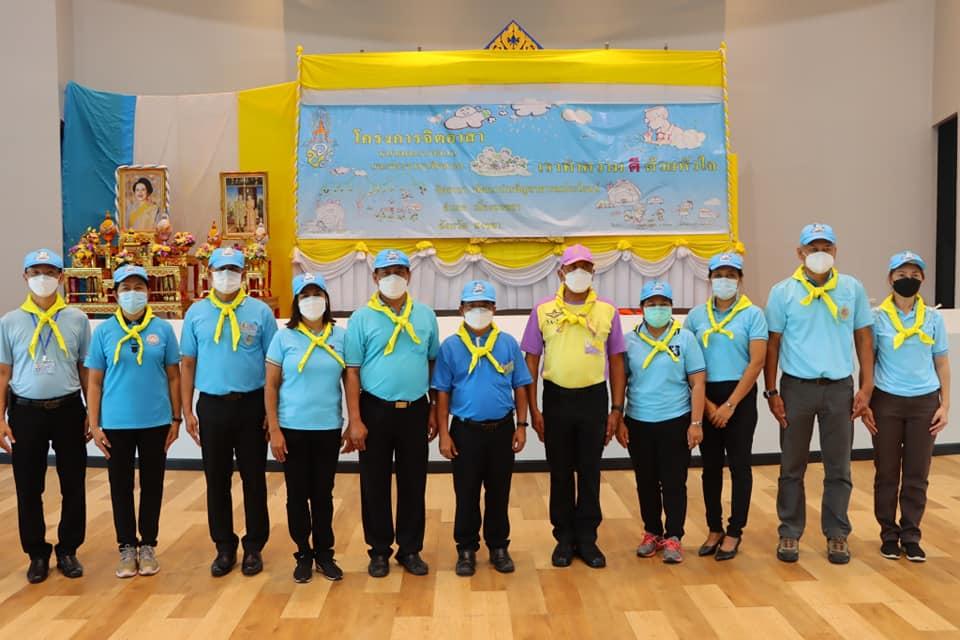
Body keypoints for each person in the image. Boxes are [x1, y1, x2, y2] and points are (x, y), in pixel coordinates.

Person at [764, 223, 874, 565]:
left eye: (826, 248)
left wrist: (866, 386)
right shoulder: (782, 292)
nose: (820, 254)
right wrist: (771, 391)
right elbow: (773, 343)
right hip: (796, 388)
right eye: (813, 248)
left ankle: (837, 532)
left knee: (838, 466)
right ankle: (789, 530)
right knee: (791, 465)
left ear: (836, 251)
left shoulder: (851, 288)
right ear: (800, 253)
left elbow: (863, 338)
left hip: (839, 389)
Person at [521, 244, 626, 569]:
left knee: (590, 471)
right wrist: (534, 409)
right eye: (573, 267)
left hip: (593, 398)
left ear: (593, 272)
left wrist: (616, 408)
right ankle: (564, 538)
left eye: (586, 267)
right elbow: (531, 361)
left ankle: (588, 539)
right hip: (556, 399)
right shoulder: (543, 310)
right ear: (561, 272)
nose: (579, 273)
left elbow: (617, 361)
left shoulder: (607, 310)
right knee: (561, 471)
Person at [180, 246, 278, 577]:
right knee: (216, 478)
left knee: (254, 477)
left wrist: (272, 412)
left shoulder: (260, 312)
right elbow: (188, 363)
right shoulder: (196, 313)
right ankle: (224, 545)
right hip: (212, 406)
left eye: (233, 270)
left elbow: (273, 366)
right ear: (209, 273)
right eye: (221, 270)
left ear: (243, 274)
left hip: (251, 405)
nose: (227, 276)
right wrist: (187, 410)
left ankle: (254, 546)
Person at [343, 249, 440, 578]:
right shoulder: (361, 318)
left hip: (415, 409)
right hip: (375, 409)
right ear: (375, 277)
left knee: (414, 481)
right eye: (386, 272)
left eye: (399, 271)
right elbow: (352, 371)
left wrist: (433, 408)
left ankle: (410, 549)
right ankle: (379, 550)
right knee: (374, 483)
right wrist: (355, 419)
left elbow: (433, 362)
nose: (393, 277)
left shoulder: (425, 315)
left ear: (409, 275)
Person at [0, 249, 90, 583]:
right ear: (25, 276)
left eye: (50, 272)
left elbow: (85, 368)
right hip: (25, 412)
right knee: (28, 486)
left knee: (73, 482)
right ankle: (37, 552)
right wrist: (0, 418)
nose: (43, 278)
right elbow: (3, 373)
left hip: (68, 409)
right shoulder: (10, 322)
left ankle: (68, 549)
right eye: (36, 272)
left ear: (61, 277)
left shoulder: (77, 319)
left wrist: (93, 413)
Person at [85, 265, 181, 578]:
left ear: (148, 291)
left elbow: (174, 376)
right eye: (125, 288)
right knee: (120, 486)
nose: (132, 294)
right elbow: (95, 381)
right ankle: (126, 546)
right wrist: (94, 423)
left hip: (156, 421)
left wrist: (176, 418)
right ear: (115, 294)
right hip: (116, 423)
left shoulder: (162, 329)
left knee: (152, 484)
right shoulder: (104, 332)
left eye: (138, 287)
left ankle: (148, 544)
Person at [433, 280, 532, 577]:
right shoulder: (450, 347)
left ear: (494, 309)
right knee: (466, 493)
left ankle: (499, 546)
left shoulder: (507, 343)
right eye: (473, 305)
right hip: (465, 432)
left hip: (502, 430)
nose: (479, 310)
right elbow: (442, 392)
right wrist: (444, 434)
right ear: (461, 309)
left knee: (499, 491)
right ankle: (466, 548)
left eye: (485, 305)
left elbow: (520, 386)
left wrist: (521, 425)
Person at [864, 251, 949, 562]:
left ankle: (911, 535)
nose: (908, 280)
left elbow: (942, 363)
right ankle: (888, 534)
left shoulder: (933, 318)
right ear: (890, 279)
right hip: (886, 401)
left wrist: (945, 405)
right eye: (901, 275)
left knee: (917, 472)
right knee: (886, 471)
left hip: (925, 403)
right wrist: (865, 402)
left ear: (923, 279)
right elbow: (869, 362)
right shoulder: (877, 318)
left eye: (914, 275)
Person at [683, 253, 767, 560]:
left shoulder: (753, 314)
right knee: (710, 467)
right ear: (709, 278)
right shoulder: (696, 316)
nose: (725, 280)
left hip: (739, 398)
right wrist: (706, 405)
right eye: (719, 275)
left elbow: (757, 362)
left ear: (740, 279)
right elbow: (688, 363)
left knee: (740, 466)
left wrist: (730, 404)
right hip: (706, 397)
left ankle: (734, 530)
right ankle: (714, 527)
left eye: (731, 275)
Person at [265, 272, 346, 583]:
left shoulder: (341, 336)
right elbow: (271, 386)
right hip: (292, 429)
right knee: (297, 494)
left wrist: (353, 420)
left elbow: (350, 380)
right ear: (297, 302)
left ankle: (325, 553)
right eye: (305, 295)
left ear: (326, 299)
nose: (312, 300)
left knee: (323, 494)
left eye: (317, 294)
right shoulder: (283, 338)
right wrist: (274, 429)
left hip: (327, 428)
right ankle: (303, 553)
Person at [617, 281, 705, 564]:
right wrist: (619, 419)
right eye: (652, 304)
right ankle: (652, 532)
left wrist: (696, 422)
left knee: (674, 481)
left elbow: (698, 382)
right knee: (646, 481)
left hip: (675, 420)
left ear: (671, 307)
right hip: (639, 421)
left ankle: (674, 536)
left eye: (663, 304)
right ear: (642, 308)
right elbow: (620, 382)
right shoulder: (629, 341)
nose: (658, 309)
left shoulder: (685, 338)